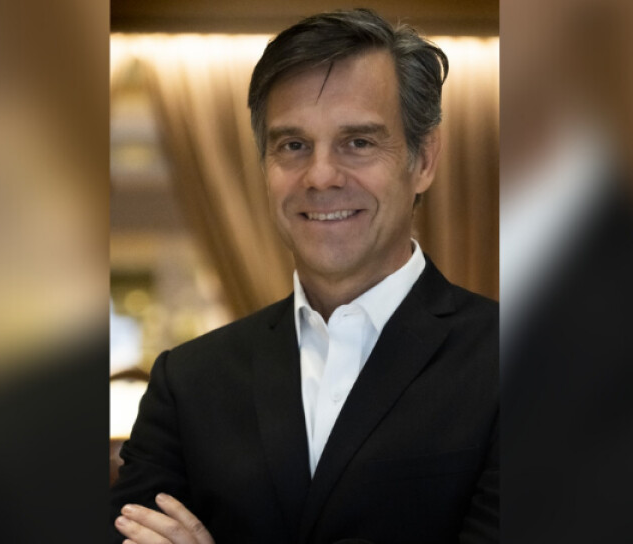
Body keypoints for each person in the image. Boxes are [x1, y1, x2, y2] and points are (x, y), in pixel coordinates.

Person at [111, 9, 498, 544]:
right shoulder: (188, 382)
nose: (320, 176)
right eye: (293, 146)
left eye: (358, 142)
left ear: (424, 159)